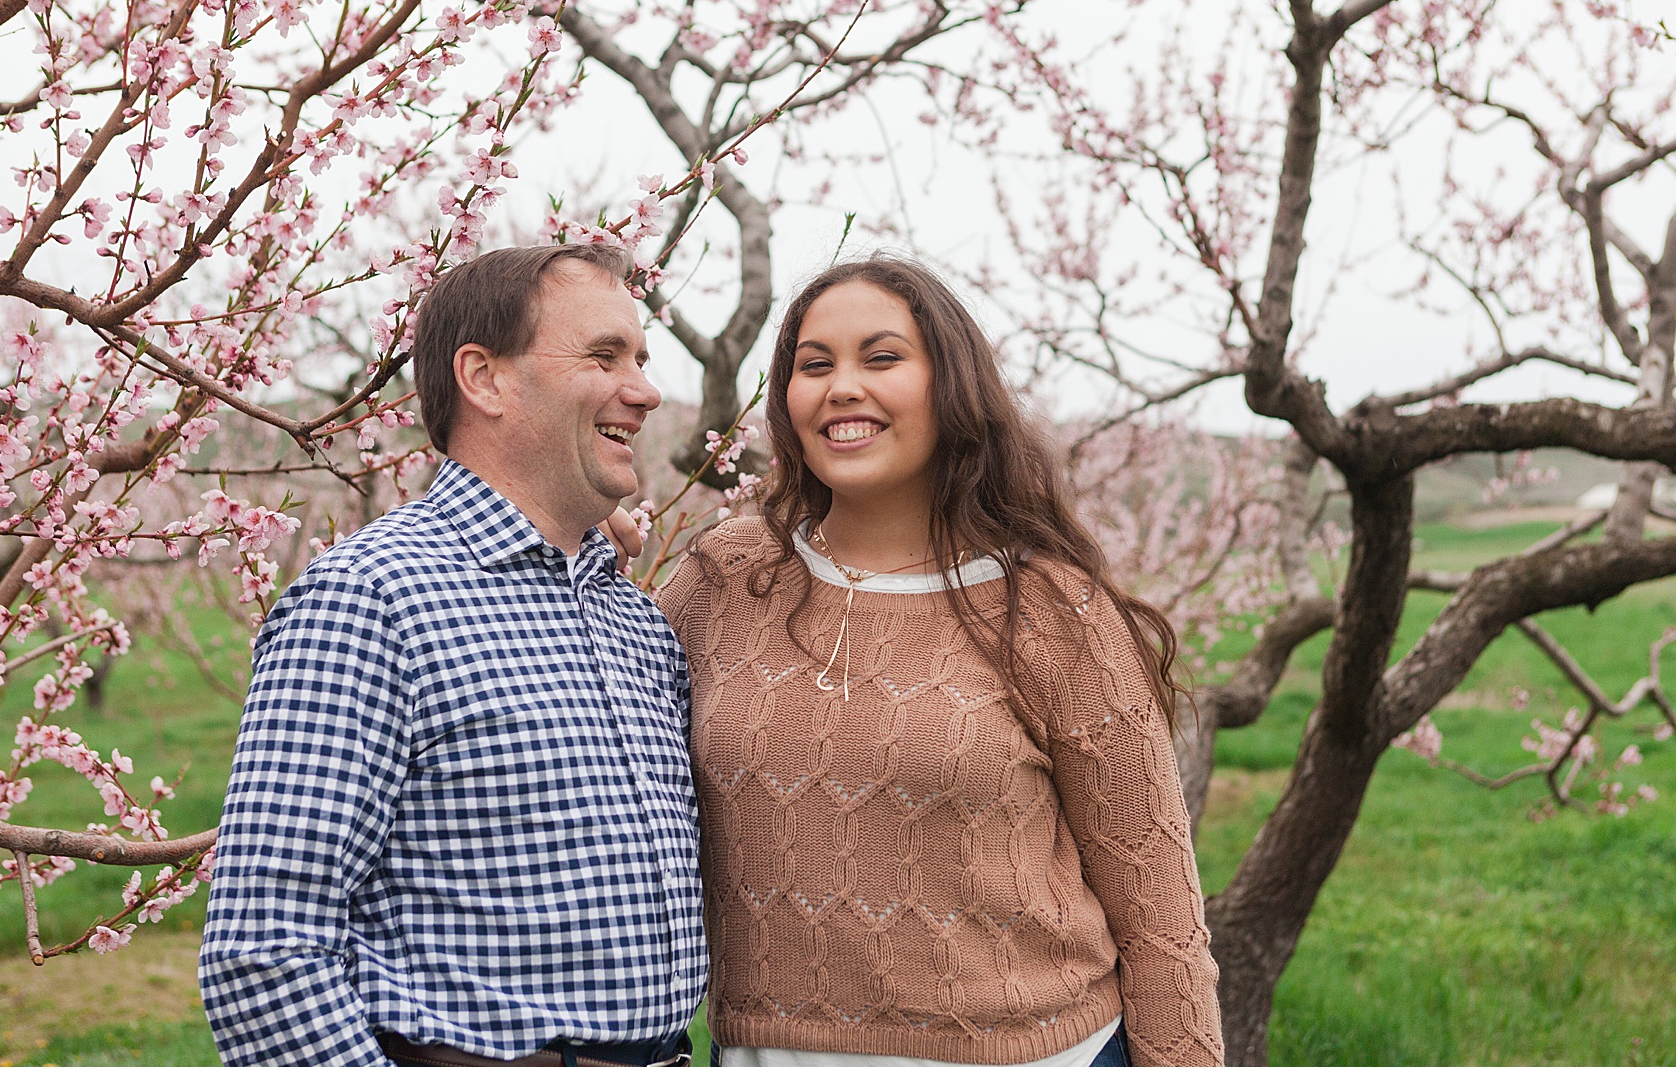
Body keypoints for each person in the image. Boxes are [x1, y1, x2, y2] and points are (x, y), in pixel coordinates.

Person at [656, 256, 1224, 1066]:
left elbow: (1162, 916)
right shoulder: (727, 575)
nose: (842, 386)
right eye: (814, 365)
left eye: (881, 358)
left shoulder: (1053, 611)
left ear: (950, 385)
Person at [199, 244, 706, 1067]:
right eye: (605, 355)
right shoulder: (368, 600)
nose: (646, 390)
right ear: (485, 378)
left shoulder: (634, 621)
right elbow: (265, 949)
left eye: (642, 359)